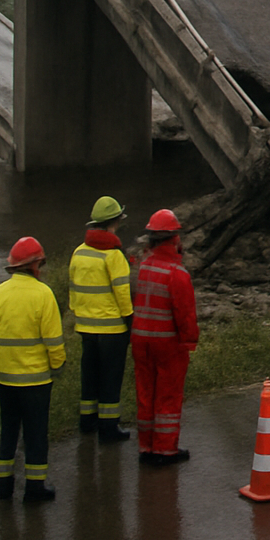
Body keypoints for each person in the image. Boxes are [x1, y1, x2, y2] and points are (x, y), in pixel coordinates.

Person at [0, 236, 66, 502]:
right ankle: (35, 489)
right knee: (36, 434)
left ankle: (4, 488)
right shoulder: (43, 294)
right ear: (36, 264)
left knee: (8, 431)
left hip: (4, 380)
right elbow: (53, 341)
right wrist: (57, 365)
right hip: (36, 382)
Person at [133, 209, 199, 467]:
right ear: (173, 238)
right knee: (168, 395)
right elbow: (185, 314)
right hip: (167, 343)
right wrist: (190, 341)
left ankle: (146, 446)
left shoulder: (143, 266)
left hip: (140, 340)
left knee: (145, 393)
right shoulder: (177, 273)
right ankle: (165, 449)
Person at [70, 196, 135, 443]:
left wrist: (79, 314)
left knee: (89, 375)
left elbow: (73, 289)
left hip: (86, 327)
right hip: (112, 329)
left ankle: (87, 421)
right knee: (110, 378)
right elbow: (122, 292)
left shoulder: (79, 252)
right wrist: (129, 319)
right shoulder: (114, 255)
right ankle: (109, 428)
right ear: (114, 222)